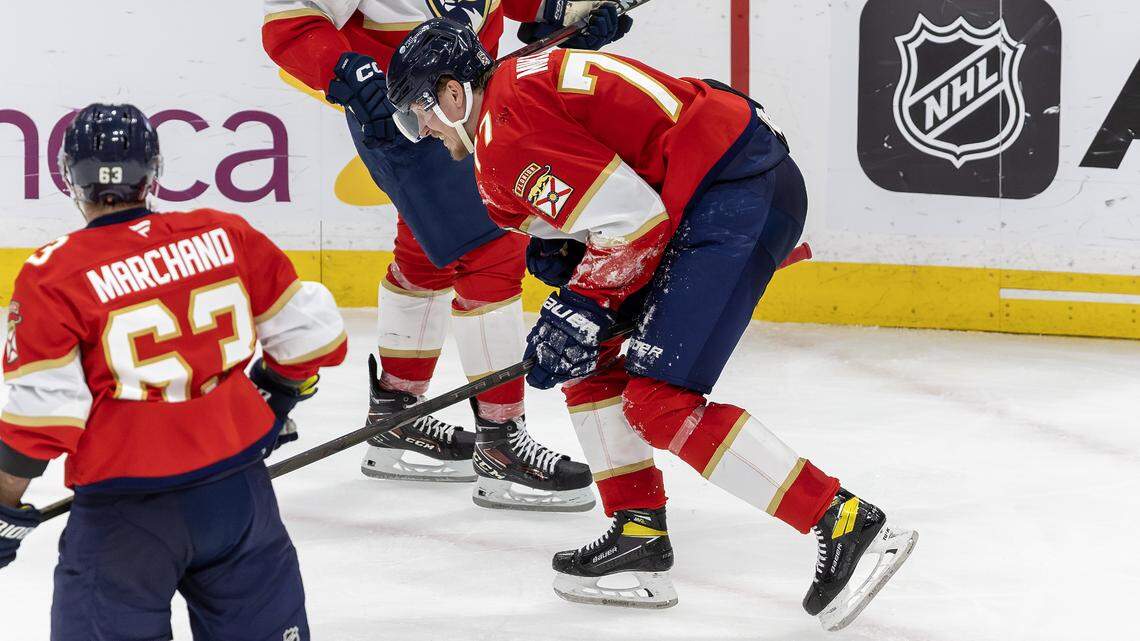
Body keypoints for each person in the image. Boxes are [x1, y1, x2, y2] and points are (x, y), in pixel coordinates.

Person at [385, 20, 920, 630]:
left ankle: (846, 521)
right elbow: (609, 206)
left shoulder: (507, 131)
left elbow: (633, 224)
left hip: (733, 191)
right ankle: (637, 532)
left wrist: (580, 303)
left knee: (659, 400)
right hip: (712, 187)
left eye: (417, 113)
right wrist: (571, 277)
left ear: (453, 95)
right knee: (592, 363)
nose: (421, 130)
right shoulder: (511, 97)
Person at [261, 0, 631, 510]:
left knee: (426, 255)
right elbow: (290, 24)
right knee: (492, 254)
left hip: (465, 104)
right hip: (406, 116)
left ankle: (397, 414)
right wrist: (345, 68)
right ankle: (501, 446)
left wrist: (568, 20)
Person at [0, 104, 347, 640]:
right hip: (240, 498)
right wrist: (273, 400)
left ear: (70, 178)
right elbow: (312, 335)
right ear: (154, 172)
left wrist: (2, 509)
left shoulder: (54, 274)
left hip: (126, 517)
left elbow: (39, 420)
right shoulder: (221, 232)